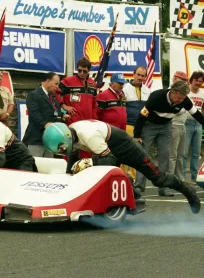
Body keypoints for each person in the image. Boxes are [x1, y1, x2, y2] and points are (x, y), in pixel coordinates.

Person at [42, 120, 200, 214]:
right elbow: (73, 157)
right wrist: (69, 176)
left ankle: (187, 190)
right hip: (108, 148)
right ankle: (134, 195)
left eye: (62, 147)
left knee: (157, 178)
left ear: (67, 137)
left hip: (126, 147)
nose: (62, 150)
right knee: (101, 177)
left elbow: (109, 160)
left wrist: (88, 162)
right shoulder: (72, 133)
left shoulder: (89, 136)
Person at [134, 80, 204, 197]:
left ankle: (163, 188)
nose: (180, 101)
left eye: (183, 99)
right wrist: (137, 135)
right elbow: (141, 116)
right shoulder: (156, 97)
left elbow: (197, 115)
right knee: (143, 156)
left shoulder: (185, 101)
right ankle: (139, 187)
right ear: (172, 92)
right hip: (149, 125)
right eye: (178, 98)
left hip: (166, 127)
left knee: (165, 156)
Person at [22, 72, 70, 157]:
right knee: (35, 165)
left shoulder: (53, 96)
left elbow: (55, 111)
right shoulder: (34, 95)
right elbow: (34, 113)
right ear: (48, 81)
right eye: (56, 84)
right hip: (37, 139)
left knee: (48, 166)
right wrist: (45, 124)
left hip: (50, 140)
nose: (57, 87)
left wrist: (62, 116)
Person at [122, 66, 151, 180]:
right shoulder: (125, 89)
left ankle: (134, 179)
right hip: (129, 124)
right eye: (138, 75)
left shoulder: (148, 91)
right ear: (133, 74)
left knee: (139, 153)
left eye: (142, 75)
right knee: (125, 151)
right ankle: (122, 175)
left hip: (143, 127)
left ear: (145, 77)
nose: (140, 77)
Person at [56, 57, 97, 125]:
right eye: (79, 70)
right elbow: (54, 92)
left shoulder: (93, 84)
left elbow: (94, 104)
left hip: (89, 123)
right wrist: (64, 106)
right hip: (73, 122)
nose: (81, 73)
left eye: (84, 71)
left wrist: (94, 119)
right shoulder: (67, 81)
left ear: (89, 70)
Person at [183, 71, 204, 182]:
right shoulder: (186, 91)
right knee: (184, 152)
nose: (198, 83)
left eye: (200, 81)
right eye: (196, 80)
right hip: (187, 123)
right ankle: (181, 178)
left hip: (198, 124)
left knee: (196, 153)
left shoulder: (202, 93)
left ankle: (194, 178)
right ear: (191, 80)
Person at [168, 71, 189, 181]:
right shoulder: (170, 92)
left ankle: (179, 177)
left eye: (185, 81)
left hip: (182, 124)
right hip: (173, 125)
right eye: (182, 80)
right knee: (172, 155)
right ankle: (170, 177)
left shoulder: (183, 92)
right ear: (175, 79)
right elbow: (177, 110)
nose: (184, 82)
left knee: (181, 154)